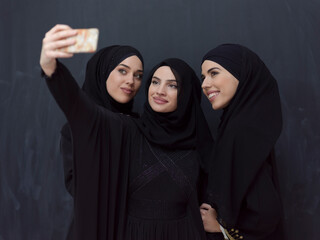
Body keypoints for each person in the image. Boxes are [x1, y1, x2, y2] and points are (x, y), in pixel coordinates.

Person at [40, 24, 216, 240]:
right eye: (155, 81)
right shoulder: (127, 130)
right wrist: (52, 68)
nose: (159, 90)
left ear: (186, 94)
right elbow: (80, 109)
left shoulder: (200, 144)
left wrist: (221, 227)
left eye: (173, 85)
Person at [199, 44, 283, 240]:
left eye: (213, 73)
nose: (204, 84)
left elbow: (266, 212)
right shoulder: (241, 124)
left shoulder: (240, 131)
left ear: (241, 74)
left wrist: (222, 228)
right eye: (203, 77)